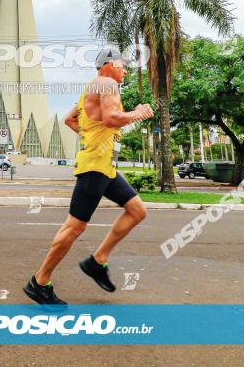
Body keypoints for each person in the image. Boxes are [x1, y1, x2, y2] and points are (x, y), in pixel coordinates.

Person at [24, 48, 154, 305]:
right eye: (123, 65)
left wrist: (91, 137)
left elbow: (70, 119)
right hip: (95, 166)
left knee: (137, 211)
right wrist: (139, 113)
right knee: (75, 227)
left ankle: (97, 261)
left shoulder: (94, 87)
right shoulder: (106, 83)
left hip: (104, 166)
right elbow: (110, 119)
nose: (126, 70)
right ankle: (39, 281)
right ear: (110, 64)